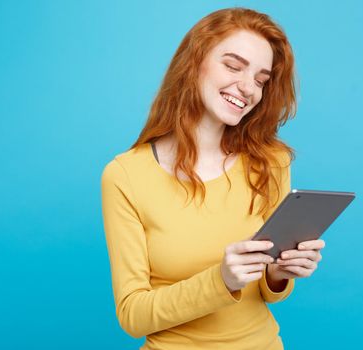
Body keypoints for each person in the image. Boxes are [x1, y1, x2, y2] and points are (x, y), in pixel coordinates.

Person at [100, 7, 325, 350]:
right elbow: (133, 315)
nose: (247, 87)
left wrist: (281, 272)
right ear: (194, 62)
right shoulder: (126, 176)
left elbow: (269, 293)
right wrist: (220, 279)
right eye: (233, 66)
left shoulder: (271, 161)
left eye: (261, 80)